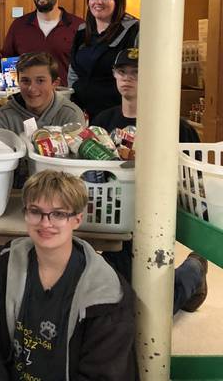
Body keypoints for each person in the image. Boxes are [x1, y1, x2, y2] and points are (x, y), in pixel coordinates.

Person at [0, 170, 138, 381]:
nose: (45, 223)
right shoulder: (9, 262)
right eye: (35, 211)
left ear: (77, 219)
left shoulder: (105, 293)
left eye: (58, 214)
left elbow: (104, 374)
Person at [92, 47, 208, 314]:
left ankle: (193, 271)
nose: (127, 78)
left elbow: (196, 178)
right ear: (114, 75)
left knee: (149, 307)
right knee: (124, 299)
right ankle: (190, 275)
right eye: (122, 72)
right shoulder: (102, 121)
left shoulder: (176, 126)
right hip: (114, 218)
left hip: (158, 218)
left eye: (136, 72)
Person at [68, 0, 139, 120]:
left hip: (116, 114)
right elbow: (73, 71)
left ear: (118, 1)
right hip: (82, 113)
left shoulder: (134, 30)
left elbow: (143, 74)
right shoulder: (83, 30)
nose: (98, 2)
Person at [1, 0, 83, 86]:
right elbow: (7, 61)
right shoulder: (18, 26)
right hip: (28, 96)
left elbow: (85, 66)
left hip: (66, 97)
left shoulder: (78, 26)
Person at [0, 51, 84, 135]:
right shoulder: (4, 116)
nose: (32, 88)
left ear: (55, 83)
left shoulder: (71, 116)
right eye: (25, 81)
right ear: (18, 82)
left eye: (40, 81)